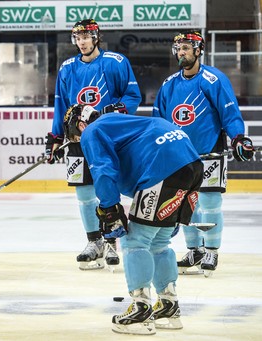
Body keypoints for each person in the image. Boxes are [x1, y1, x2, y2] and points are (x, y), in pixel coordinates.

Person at [65, 104, 203, 335]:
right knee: (159, 242)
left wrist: (109, 207)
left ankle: (141, 311)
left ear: (80, 124)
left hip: (162, 166)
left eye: (75, 136)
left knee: (134, 242)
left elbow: (102, 169)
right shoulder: (117, 122)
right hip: (191, 163)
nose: (79, 140)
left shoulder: (92, 130)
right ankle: (168, 306)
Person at [152, 30, 255, 277]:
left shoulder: (213, 79)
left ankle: (211, 250)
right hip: (181, 156)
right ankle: (194, 250)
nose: (182, 52)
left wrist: (238, 137)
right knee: (186, 204)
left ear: (199, 50)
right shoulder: (168, 85)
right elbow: (159, 120)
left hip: (210, 153)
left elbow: (229, 112)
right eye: (179, 48)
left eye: (187, 47)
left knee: (209, 203)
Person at [45, 18, 142, 271]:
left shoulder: (116, 62)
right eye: (78, 38)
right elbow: (60, 106)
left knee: (106, 186)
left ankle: (111, 240)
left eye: (86, 37)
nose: (82, 41)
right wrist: (55, 137)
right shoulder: (67, 68)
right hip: (76, 139)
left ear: (96, 37)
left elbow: (132, 95)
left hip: (107, 137)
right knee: (83, 193)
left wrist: (117, 109)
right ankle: (94, 241)